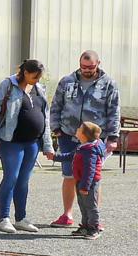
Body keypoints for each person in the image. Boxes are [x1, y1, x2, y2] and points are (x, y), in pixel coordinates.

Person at [48, 50, 121, 229]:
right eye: (83, 67)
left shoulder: (109, 84)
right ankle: (67, 215)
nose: (86, 70)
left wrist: (112, 137)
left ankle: (92, 217)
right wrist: (56, 128)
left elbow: (114, 111)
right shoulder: (67, 82)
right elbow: (56, 105)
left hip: (96, 139)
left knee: (92, 177)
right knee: (69, 175)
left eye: (90, 67)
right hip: (69, 135)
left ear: (98, 63)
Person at [0, 60, 54, 234]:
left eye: (40, 76)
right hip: (10, 141)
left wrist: (47, 144)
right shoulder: (8, 84)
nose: (37, 79)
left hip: (32, 142)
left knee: (24, 180)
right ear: (25, 72)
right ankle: (4, 218)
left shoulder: (39, 88)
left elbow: (44, 116)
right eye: (34, 76)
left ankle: (21, 218)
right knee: (11, 177)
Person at [54, 121, 105, 239]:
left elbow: (90, 171)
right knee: (82, 204)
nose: (77, 129)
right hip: (80, 181)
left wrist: (85, 187)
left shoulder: (90, 150)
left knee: (91, 206)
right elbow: (70, 156)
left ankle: (94, 228)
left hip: (89, 183)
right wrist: (55, 157)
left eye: (79, 129)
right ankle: (85, 226)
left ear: (84, 134)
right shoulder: (82, 146)